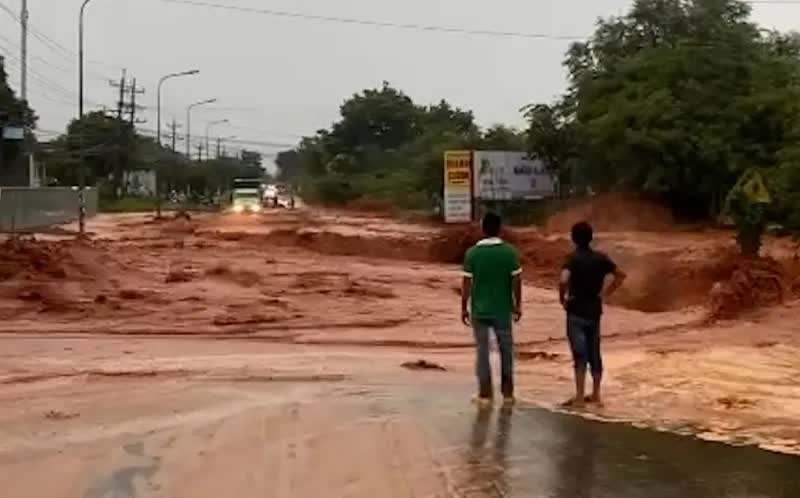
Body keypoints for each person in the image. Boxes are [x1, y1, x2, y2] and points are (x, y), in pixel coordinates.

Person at [559, 222, 626, 408]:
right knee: (594, 351)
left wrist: (562, 298)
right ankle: (596, 395)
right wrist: (605, 294)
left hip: (576, 310)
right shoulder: (600, 258)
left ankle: (580, 397)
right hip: (594, 310)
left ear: (573, 238)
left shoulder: (572, 259)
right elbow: (621, 275)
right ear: (591, 237)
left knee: (579, 354)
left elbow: (563, 279)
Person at [462, 212, 523, 405]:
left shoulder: (472, 253)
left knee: (482, 351)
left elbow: (466, 283)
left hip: (479, 310)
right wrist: (517, 305)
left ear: (482, 228)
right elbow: (516, 281)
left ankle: (485, 394)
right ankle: (508, 393)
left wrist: (464, 307)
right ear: (500, 228)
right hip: (502, 309)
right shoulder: (509, 252)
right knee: (506, 350)